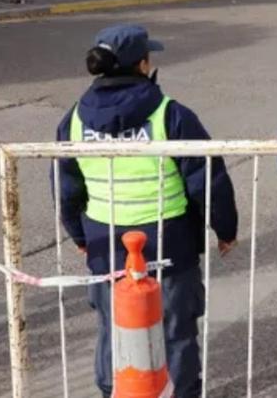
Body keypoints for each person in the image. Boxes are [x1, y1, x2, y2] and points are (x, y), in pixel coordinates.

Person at [53, 24, 238, 398]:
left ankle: (114, 392)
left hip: (106, 247)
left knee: (112, 327)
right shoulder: (171, 115)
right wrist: (225, 230)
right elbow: (208, 182)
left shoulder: (73, 120)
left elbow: (66, 188)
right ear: (142, 64)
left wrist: (79, 236)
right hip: (168, 247)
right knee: (176, 331)